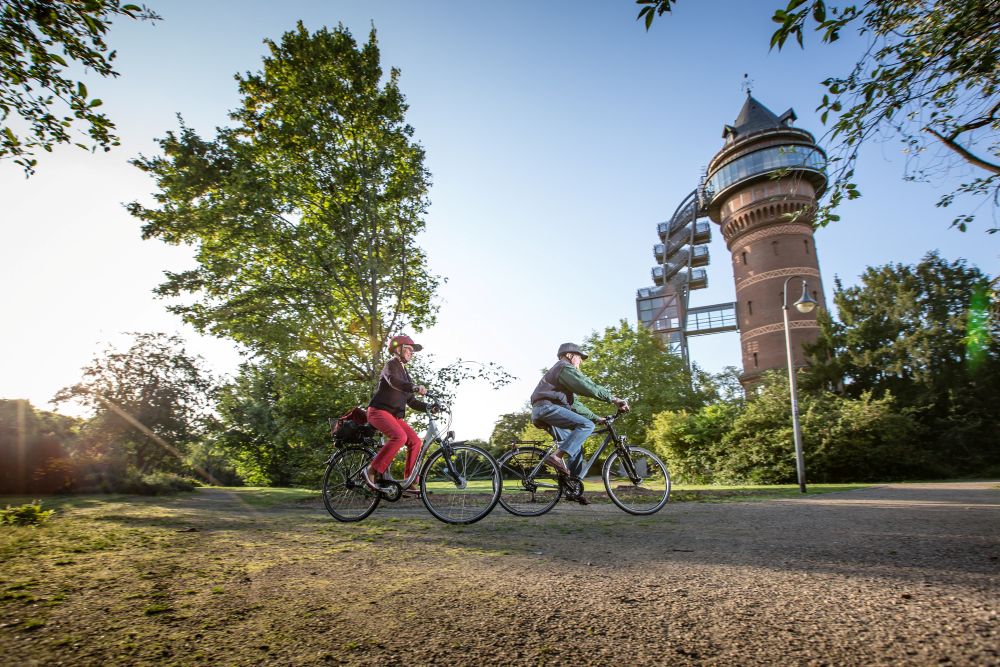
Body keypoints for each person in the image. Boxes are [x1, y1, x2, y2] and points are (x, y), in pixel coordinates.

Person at [529, 342, 629, 504]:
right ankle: (556, 457)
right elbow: (587, 386)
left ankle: (572, 489)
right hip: (547, 409)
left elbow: (574, 405)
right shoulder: (564, 367)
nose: (581, 361)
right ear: (570, 355)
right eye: (579, 357)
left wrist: (596, 417)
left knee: (574, 448)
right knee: (586, 426)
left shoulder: (561, 376)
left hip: (543, 411)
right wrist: (614, 399)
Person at [362, 335, 431, 496]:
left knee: (415, 441)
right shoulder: (391, 365)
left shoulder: (406, 374)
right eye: (409, 349)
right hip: (378, 411)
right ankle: (371, 470)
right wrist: (414, 387)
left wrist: (429, 407)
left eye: (413, 351)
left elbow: (412, 402)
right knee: (400, 437)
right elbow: (393, 381)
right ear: (398, 349)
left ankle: (410, 481)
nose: (411, 353)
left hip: (394, 416)